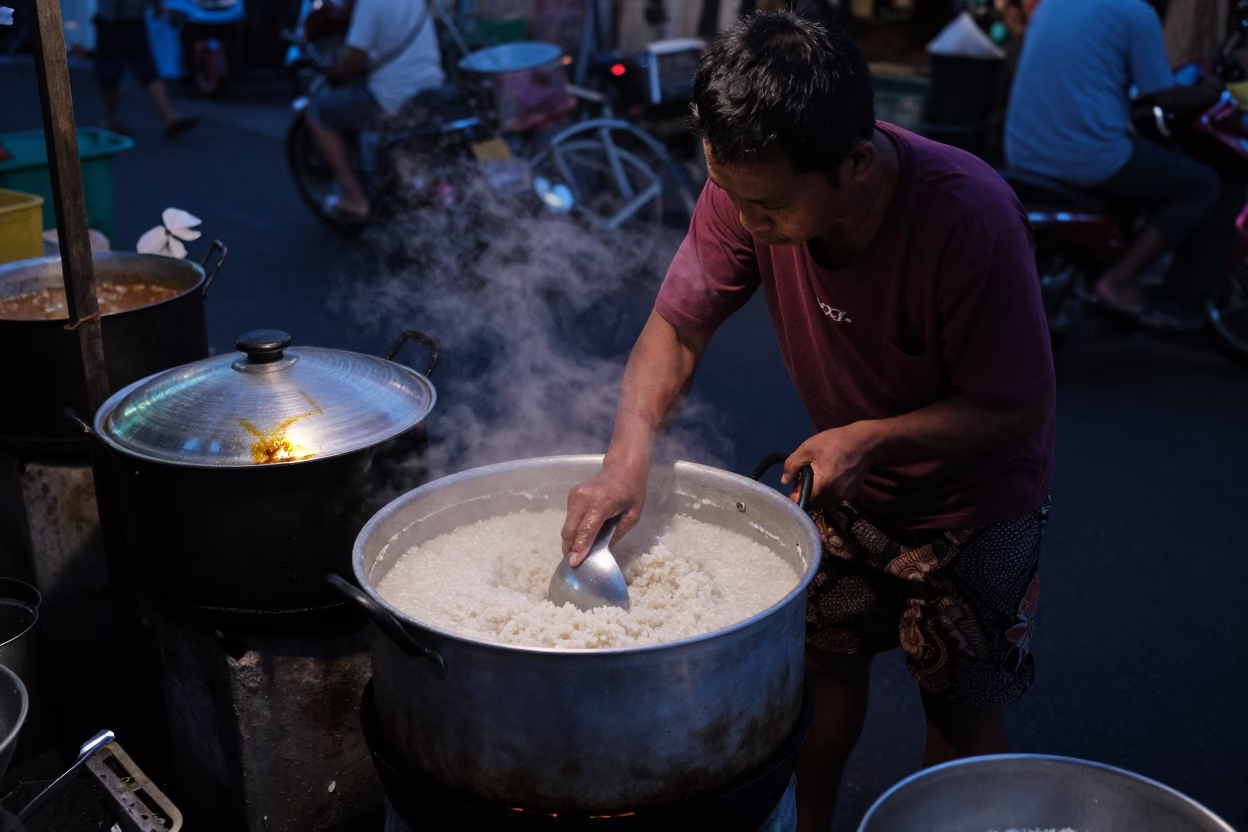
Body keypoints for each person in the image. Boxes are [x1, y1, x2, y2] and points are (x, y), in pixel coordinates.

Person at [561, 12, 1055, 831]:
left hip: (976, 504)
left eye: (769, 206)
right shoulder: (744, 189)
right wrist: (624, 459)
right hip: (841, 486)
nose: (747, 223)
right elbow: (678, 328)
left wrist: (875, 437)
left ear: (856, 164)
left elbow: (1017, 404)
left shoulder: (970, 220)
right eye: (731, 193)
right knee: (818, 680)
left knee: (960, 713)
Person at [1005, 0, 1222, 325]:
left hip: (1022, 150)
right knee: (1202, 184)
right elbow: (1164, 96)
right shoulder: (1135, 13)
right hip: (1086, 156)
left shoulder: (1052, 5)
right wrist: (1209, 93)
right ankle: (1119, 281)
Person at [306, 0, 445, 224]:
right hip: (431, 88)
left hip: (391, 99)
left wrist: (334, 75)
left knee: (318, 110)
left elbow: (352, 61)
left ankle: (354, 198)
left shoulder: (370, 4)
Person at [93, 0, 199, 138]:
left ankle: (169, 118)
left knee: (143, 67)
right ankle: (112, 119)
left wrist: (157, 5)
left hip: (129, 18)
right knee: (112, 71)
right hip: (114, 20)